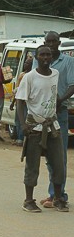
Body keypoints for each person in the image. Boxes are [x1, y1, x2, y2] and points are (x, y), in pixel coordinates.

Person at [16, 45, 68, 212]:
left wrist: (57, 103)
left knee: (58, 164)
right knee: (32, 164)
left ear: (52, 57)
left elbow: (52, 94)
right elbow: (20, 101)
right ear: (37, 57)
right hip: (34, 126)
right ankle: (29, 200)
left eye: (48, 55)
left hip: (53, 126)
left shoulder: (56, 74)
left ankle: (58, 198)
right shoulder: (29, 77)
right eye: (42, 55)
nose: (46, 58)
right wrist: (23, 124)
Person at [34, 31, 74, 208]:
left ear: (59, 43)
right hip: (42, 114)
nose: (50, 45)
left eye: (53, 42)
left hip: (60, 112)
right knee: (48, 155)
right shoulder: (39, 60)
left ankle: (59, 195)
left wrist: (60, 99)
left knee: (60, 156)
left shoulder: (68, 62)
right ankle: (54, 193)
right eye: (47, 42)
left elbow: (72, 86)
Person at [10, 57, 32, 146]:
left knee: (22, 120)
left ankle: (21, 139)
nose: (25, 64)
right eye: (25, 62)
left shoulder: (29, 76)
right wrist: (13, 101)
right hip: (19, 101)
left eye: (27, 63)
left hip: (25, 102)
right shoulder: (22, 74)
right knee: (18, 120)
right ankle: (20, 139)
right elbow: (18, 90)